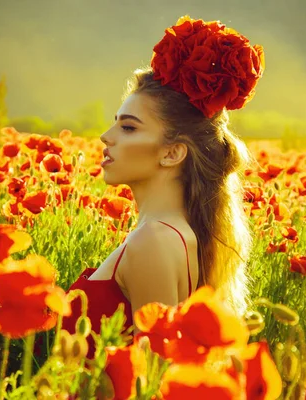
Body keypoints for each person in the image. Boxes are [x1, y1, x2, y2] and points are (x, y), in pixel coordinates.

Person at [62, 15, 265, 358]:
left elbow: (154, 380)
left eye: (128, 128)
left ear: (172, 153)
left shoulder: (153, 240)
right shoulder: (171, 233)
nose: (105, 138)